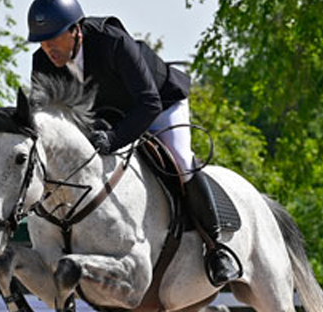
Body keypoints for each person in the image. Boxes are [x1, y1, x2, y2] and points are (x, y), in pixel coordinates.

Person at [27, 0, 240, 286]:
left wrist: (114, 138)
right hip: (110, 115)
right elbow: (48, 119)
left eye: (54, 39)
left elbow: (148, 102)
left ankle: (216, 248)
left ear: (76, 30)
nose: (48, 48)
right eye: (42, 42)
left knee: (180, 161)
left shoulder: (111, 41)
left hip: (160, 104)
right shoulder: (42, 62)